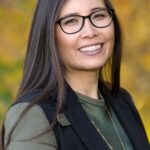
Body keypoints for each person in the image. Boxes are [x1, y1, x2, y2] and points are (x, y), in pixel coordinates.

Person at [1, 0, 150, 149]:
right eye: (71, 21)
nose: (90, 32)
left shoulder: (122, 100)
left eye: (98, 15)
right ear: (49, 34)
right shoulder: (32, 115)